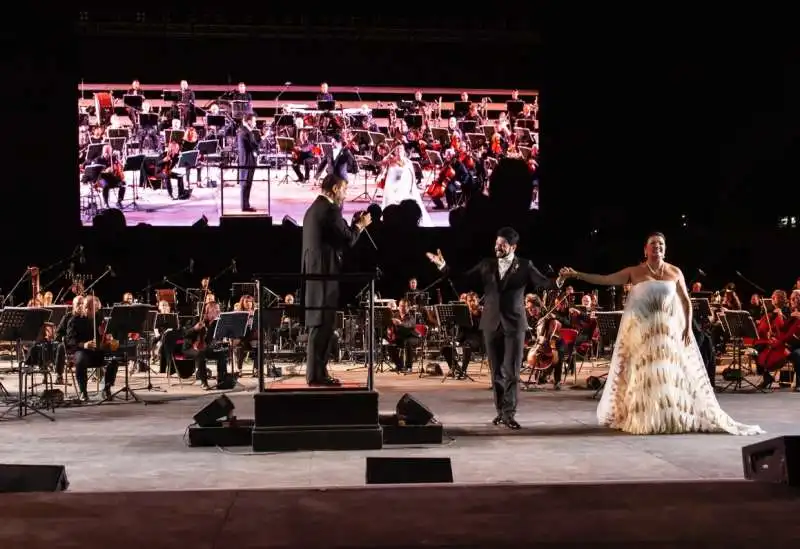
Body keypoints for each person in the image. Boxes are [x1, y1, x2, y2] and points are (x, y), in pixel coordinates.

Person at [559, 231, 764, 435]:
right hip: (643, 333)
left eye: (661, 244)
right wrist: (576, 274)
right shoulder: (635, 271)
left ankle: (669, 418)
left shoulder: (675, 272)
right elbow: (604, 279)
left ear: (664, 249)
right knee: (645, 376)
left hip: (668, 333)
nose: (657, 247)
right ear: (645, 249)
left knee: (667, 375)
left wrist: (685, 327)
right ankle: (645, 419)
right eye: (653, 244)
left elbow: (685, 302)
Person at [426, 227, 563, 429]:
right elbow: (463, 279)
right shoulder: (486, 264)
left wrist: (559, 281)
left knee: (512, 371)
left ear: (513, 247)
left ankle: (509, 414)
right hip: (491, 323)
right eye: (496, 243)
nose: (497, 247)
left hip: (514, 324)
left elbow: (543, 283)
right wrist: (443, 266)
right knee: (496, 372)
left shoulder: (525, 265)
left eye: (502, 244)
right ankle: (500, 411)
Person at [302, 174, 372, 385]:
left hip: (315, 275)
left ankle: (318, 373)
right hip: (324, 276)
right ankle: (316, 376)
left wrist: (351, 226)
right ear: (334, 188)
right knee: (322, 326)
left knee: (320, 326)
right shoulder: (330, 209)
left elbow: (336, 237)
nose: (345, 194)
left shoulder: (315, 209)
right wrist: (360, 225)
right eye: (343, 189)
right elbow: (348, 240)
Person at [380, 145, 433, 226]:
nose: (399, 151)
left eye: (400, 149)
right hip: (393, 189)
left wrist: (412, 187)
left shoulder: (408, 162)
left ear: (404, 151)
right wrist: (387, 157)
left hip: (405, 188)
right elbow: (382, 163)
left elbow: (412, 176)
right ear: (394, 151)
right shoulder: (391, 161)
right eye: (397, 149)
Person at [236, 113, 259, 212]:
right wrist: (261, 139)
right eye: (254, 121)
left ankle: (246, 204)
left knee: (246, 184)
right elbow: (253, 146)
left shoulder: (245, 131)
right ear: (249, 121)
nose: (255, 123)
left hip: (246, 161)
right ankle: (245, 206)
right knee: (246, 184)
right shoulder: (246, 131)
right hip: (247, 161)